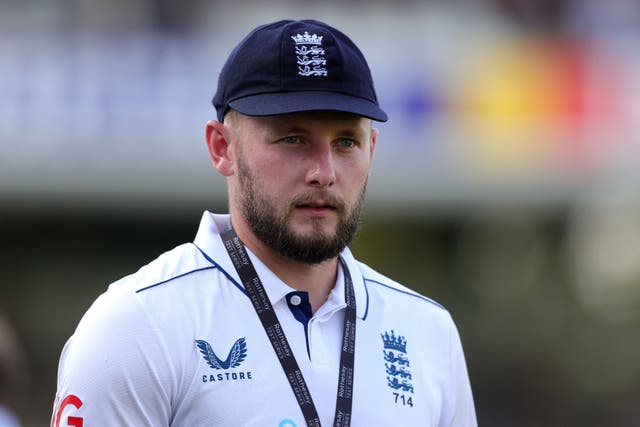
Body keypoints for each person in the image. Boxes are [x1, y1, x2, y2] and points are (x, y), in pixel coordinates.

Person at [52, 19, 476, 426]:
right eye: (293, 138)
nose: (324, 171)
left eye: (346, 142)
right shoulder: (136, 325)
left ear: (373, 149)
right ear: (222, 148)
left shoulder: (428, 332)